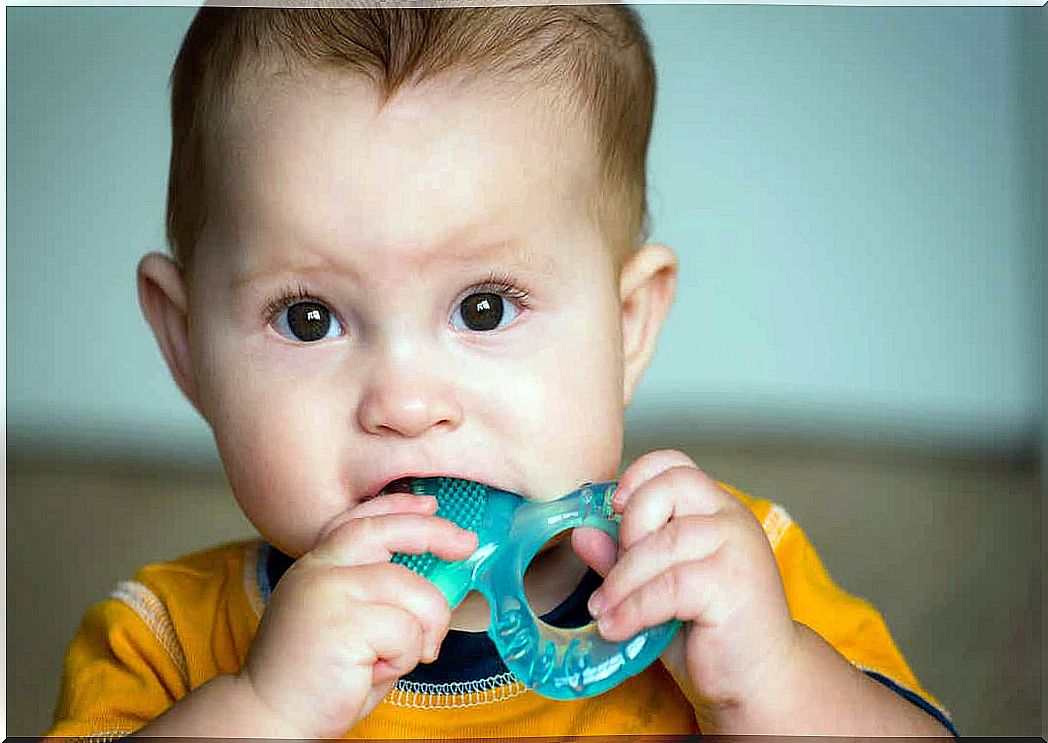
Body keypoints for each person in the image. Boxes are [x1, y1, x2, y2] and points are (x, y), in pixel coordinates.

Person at [46, 5, 956, 739]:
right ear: (185, 344)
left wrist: (773, 685)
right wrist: (262, 711)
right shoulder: (162, 639)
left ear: (627, 327)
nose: (406, 403)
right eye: (309, 317)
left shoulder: (727, 576)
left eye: (484, 307)